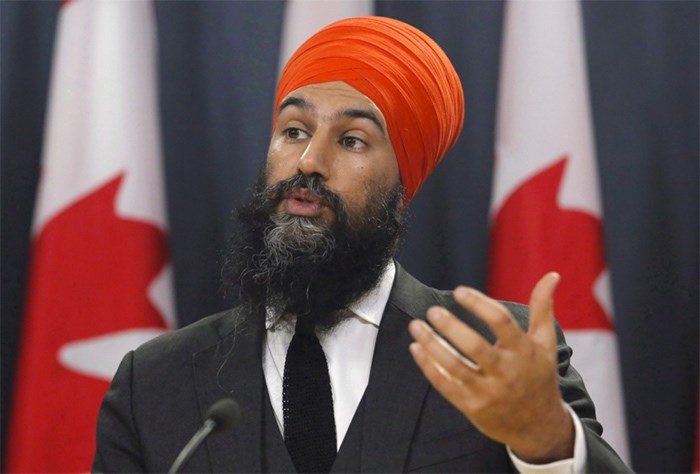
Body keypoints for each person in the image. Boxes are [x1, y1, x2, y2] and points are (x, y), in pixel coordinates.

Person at [93, 16, 630, 473]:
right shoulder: (155, 382)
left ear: (404, 186)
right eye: (294, 131)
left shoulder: (490, 351)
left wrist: (548, 442)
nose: (308, 163)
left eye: (351, 140)